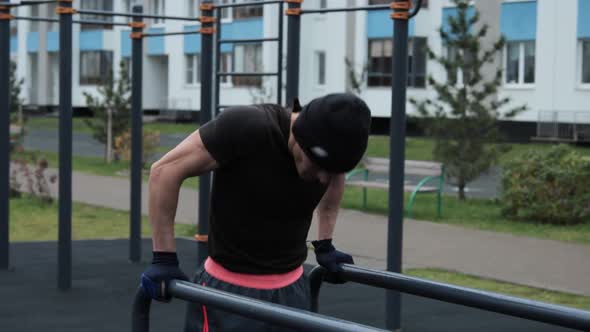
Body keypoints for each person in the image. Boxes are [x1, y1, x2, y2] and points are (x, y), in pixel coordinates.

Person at [140, 93, 372, 331]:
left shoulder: (329, 157)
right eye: (320, 166)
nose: (324, 178)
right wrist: (164, 258)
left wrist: (324, 243)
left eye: (334, 171)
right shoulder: (248, 127)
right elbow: (164, 171)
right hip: (228, 292)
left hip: (292, 290)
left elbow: (333, 182)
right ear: (301, 138)